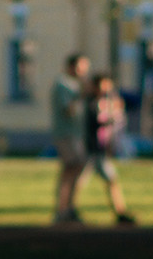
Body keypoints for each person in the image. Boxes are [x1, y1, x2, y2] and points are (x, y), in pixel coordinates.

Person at [71, 75, 136, 225]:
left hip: (97, 150)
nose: (106, 90)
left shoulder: (101, 102)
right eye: (103, 86)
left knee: (106, 180)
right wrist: (112, 117)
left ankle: (119, 211)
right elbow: (94, 124)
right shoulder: (90, 103)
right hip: (91, 150)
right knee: (101, 180)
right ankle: (69, 209)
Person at [51, 53, 91, 223]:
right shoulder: (63, 85)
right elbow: (69, 110)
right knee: (72, 167)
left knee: (77, 169)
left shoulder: (74, 85)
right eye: (80, 67)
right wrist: (81, 95)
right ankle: (63, 209)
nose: (83, 71)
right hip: (66, 135)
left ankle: (69, 208)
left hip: (76, 135)